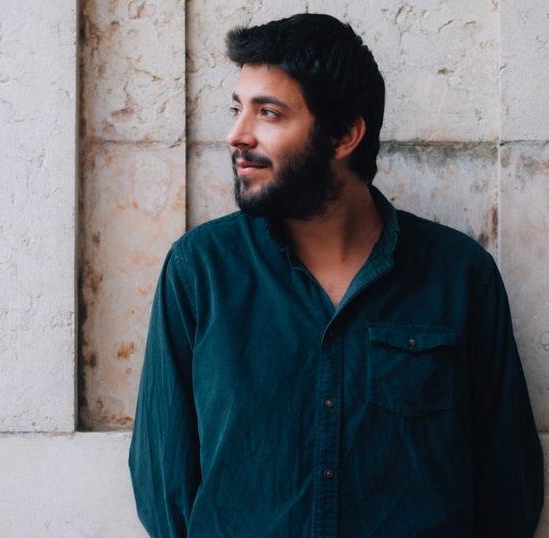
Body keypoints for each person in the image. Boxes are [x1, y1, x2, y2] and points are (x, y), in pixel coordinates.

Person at [128, 13, 543, 538]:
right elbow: (164, 482)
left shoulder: (459, 276)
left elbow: (509, 486)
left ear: (345, 133)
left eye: (269, 113)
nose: (236, 135)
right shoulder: (200, 270)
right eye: (237, 109)